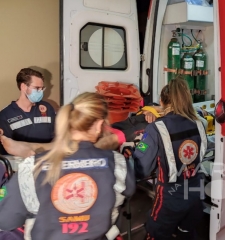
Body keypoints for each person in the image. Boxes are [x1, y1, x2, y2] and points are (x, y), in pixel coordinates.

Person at [0, 92, 135, 240]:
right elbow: (128, 190)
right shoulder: (117, 163)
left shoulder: (32, 167)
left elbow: (6, 220)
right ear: (98, 125)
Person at [121, 77, 207, 240]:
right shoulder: (199, 123)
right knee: (186, 233)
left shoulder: (156, 128)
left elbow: (142, 167)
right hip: (196, 192)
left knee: (155, 234)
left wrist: (129, 152)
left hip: (171, 198)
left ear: (161, 101)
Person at [0, 68, 56, 155]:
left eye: (42, 88)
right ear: (23, 87)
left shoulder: (47, 108)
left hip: (47, 161)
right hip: (20, 165)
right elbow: (6, 148)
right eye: (37, 88)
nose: (40, 92)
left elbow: (58, 136)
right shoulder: (5, 115)